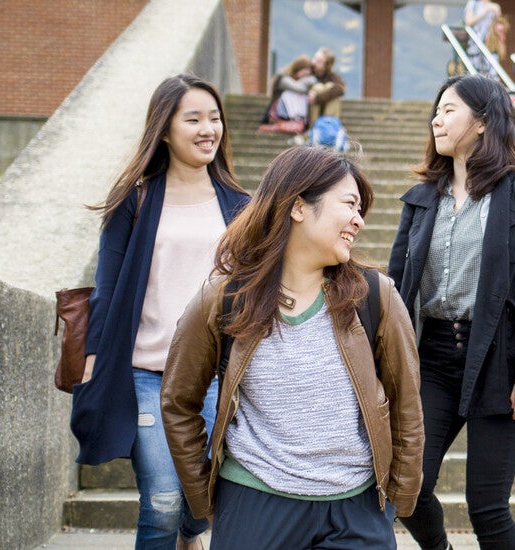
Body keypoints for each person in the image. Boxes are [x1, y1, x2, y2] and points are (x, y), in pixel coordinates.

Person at [159, 146, 426, 549]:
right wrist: (203, 499)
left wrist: (398, 501)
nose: (359, 220)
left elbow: (406, 402)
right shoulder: (224, 298)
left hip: (356, 510)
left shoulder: (376, 296)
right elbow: (178, 400)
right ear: (298, 207)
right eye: (350, 204)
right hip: (255, 503)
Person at [73, 74, 251, 550]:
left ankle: (190, 538)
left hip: (215, 374)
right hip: (147, 372)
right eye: (193, 118)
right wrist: (93, 362)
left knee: (203, 499)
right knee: (164, 500)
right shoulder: (135, 198)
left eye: (214, 117)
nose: (207, 128)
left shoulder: (241, 206)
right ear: (165, 129)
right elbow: (107, 290)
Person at [389, 74, 515, 550]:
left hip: (500, 362)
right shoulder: (423, 198)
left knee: (487, 505)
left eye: (449, 110)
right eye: (436, 110)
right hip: (433, 359)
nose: (436, 120)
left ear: (484, 122)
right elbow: (396, 287)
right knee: (407, 487)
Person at [264, 56, 316, 131]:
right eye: (304, 72)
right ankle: (296, 120)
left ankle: (300, 120)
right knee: (291, 94)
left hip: (293, 114)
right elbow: (298, 88)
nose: (305, 77)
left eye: (307, 75)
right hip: (280, 112)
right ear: (298, 68)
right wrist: (311, 83)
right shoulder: (283, 79)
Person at [463, 0, 501, 74]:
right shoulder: (473, 3)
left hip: (490, 43)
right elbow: (468, 22)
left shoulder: (494, 6)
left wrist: (496, 13)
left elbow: (499, 24)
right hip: (475, 42)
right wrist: (485, 11)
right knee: (474, 73)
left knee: (491, 73)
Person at [309, 47, 346, 120]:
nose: (314, 62)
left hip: (324, 110)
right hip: (308, 109)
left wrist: (317, 98)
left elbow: (340, 89)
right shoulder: (307, 70)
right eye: (315, 58)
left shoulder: (332, 76)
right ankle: (314, 127)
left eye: (319, 61)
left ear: (326, 65)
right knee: (317, 87)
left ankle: (328, 125)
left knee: (330, 87)